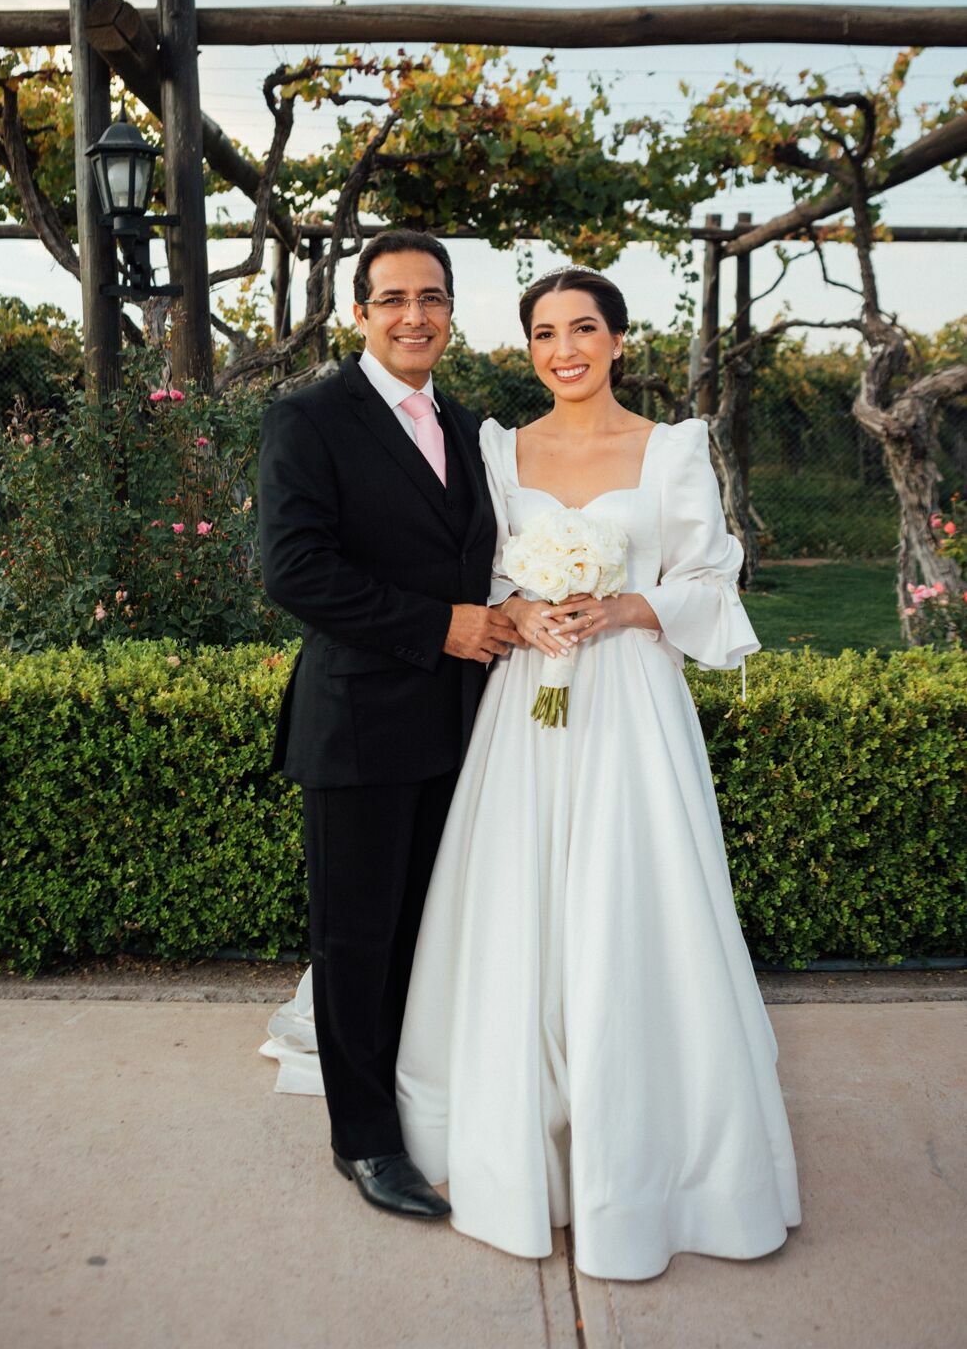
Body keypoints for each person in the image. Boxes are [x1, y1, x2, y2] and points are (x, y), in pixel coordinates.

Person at [393, 265, 801, 1279]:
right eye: (543, 332)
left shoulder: (670, 449)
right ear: (527, 347)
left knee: (631, 904)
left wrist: (622, 606)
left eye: (583, 328)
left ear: (618, 341)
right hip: (526, 708)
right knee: (519, 904)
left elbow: (709, 575)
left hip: (628, 706)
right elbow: (481, 567)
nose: (563, 348)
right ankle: (515, 1132)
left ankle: (651, 1156)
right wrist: (523, 608)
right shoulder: (497, 448)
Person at [257, 228, 519, 1221]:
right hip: (358, 727)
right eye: (394, 298)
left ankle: (419, 1100)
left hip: (462, 727)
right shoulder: (308, 419)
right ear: (358, 311)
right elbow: (296, 570)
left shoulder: (467, 422)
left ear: (450, 310)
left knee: (427, 931)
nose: (415, 315)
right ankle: (363, 1140)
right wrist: (439, 626)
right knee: (357, 939)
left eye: (433, 297)